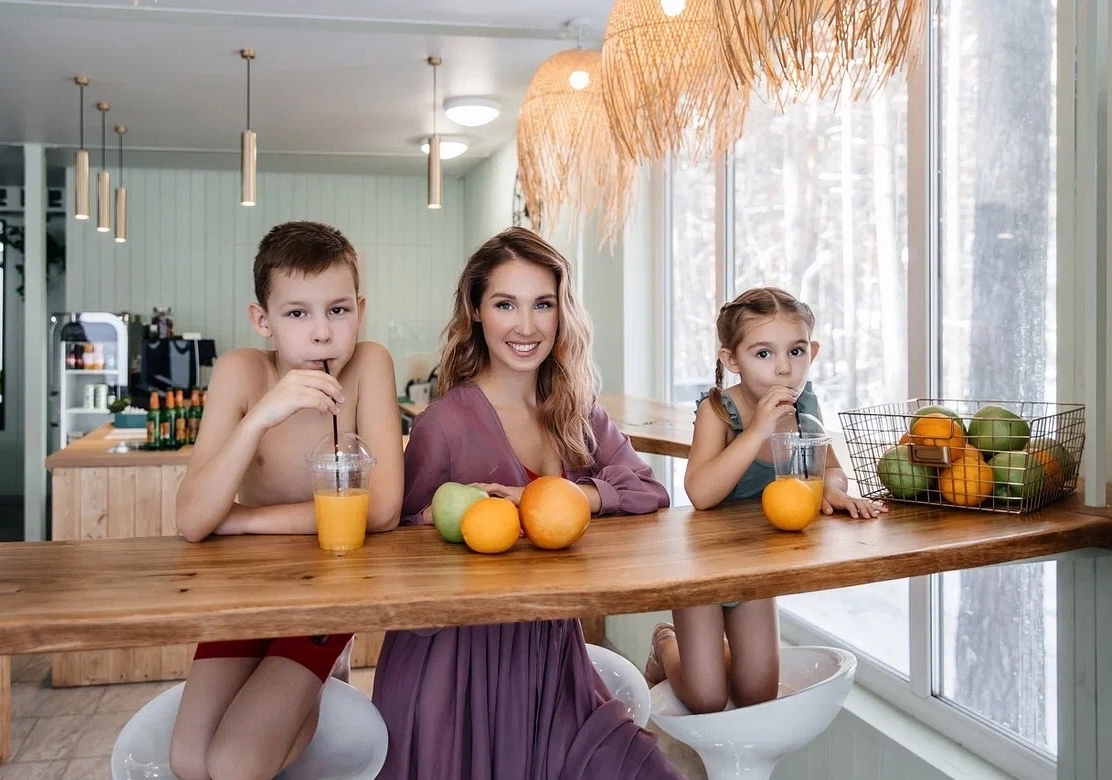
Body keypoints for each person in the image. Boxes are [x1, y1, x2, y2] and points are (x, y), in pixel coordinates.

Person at [371, 227, 682, 779]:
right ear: (475, 311)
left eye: (543, 304)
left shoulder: (577, 412)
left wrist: (555, 495)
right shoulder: (443, 424)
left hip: (554, 657)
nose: (526, 326)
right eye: (505, 304)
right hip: (455, 668)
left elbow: (647, 489)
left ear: (562, 313)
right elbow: (393, 544)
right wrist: (442, 521)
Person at [168, 221, 404, 780]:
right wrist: (261, 417)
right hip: (248, 590)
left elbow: (381, 510)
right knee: (187, 760)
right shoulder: (240, 371)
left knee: (233, 763)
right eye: (297, 313)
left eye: (337, 310)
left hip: (328, 587)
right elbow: (193, 520)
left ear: (359, 310)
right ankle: (311, 693)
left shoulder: (370, 364)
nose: (321, 333)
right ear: (263, 320)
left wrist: (244, 521)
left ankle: (318, 678)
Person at [643, 286, 887, 715]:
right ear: (731, 359)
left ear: (812, 352)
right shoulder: (719, 410)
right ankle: (666, 642)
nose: (783, 368)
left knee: (756, 694)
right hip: (702, 568)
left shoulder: (805, 406)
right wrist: (757, 429)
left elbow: (830, 467)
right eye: (763, 354)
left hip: (755, 566)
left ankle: (708, 657)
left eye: (796, 351)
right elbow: (700, 493)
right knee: (706, 697)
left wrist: (830, 488)